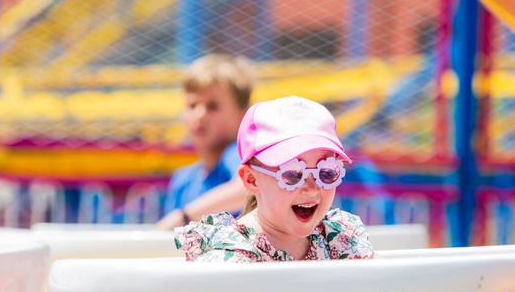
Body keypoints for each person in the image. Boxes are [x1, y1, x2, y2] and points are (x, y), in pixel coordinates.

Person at [174, 96, 375, 262]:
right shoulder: (231, 256)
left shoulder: (341, 240)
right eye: (293, 174)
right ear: (251, 179)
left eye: (327, 173)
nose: (311, 189)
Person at [159, 54, 255, 227]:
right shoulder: (184, 179)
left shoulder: (237, 155)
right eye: (192, 105)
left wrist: (186, 217)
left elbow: (249, 188)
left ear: (243, 116)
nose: (200, 115)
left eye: (213, 106)